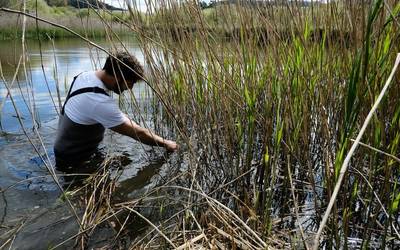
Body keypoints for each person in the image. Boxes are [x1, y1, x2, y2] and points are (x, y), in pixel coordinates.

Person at [54, 51, 178, 172]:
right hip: (74, 161)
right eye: (130, 83)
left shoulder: (86, 76)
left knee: (123, 161)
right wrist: (166, 143)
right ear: (118, 77)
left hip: (71, 149)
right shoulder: (98, 101)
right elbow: (138, 134)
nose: (130, 88)